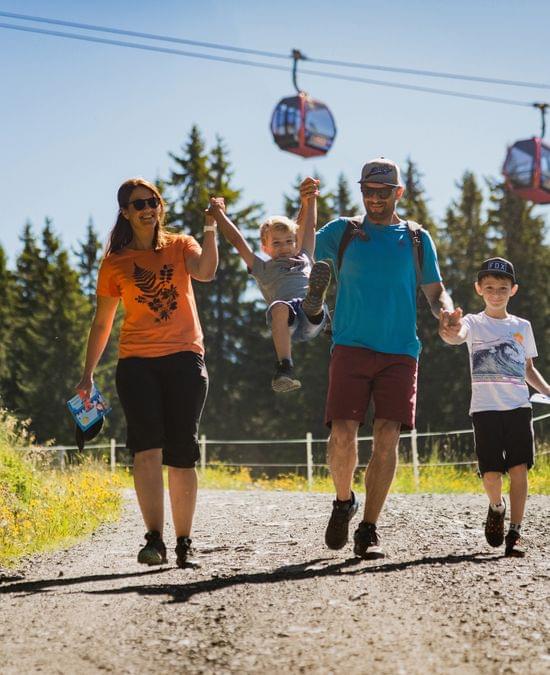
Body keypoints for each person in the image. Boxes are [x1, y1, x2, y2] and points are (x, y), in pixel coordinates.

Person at [310, 157, 455, 559]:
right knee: (342, 434)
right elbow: (304, 248)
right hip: (350, 345)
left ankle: (369, 528)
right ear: (362, 192)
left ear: (398, 193)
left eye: (383, 192)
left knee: (388, 437)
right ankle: (344, 502)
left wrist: (446, 311)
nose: (375, 199)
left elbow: (435, 291)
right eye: (368, 192)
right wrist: (308, 205)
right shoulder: (343, 232)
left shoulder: (415, 238)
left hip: (400, 351)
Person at [76, 177, 218, 568]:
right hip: (136, 363)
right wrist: (88, 375)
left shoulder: (180, 245)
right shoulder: (115, 262)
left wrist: (211, 226)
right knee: (146, 451)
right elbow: (102, 322)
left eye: (152, 201)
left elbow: (205, 271)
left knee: (183, 452)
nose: (147, 208)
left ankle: (185, 541)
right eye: (138, 204)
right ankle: (154, 539)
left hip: (185, 359)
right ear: (125, 212)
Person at [439, 257, 550, 557]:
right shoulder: (473, 323)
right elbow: (455, 335)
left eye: (503, 287)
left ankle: (515, 531)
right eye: (489, 287)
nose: (496, 293)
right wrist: (449, 329)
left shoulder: (522, 327)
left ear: (513, 290)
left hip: (518, 408)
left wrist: (548, 390)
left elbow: (527, 368)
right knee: (491, 474)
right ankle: (496, 507)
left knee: (519, 469)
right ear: (478, 289)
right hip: (485, 410)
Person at [206, 178, 331, 393]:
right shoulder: (262, 267)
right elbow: (237, 241)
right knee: (279, 307)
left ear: (295, 242)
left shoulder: (304, 256)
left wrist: (310, 198)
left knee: (310, 306)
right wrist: (218, 215)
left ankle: (315, 304)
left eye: (289, 241)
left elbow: (309, 225)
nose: (284, 248)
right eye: (276, 243)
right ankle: (285, 366)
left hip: (310, 317)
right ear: (265, 247)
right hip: (287, 323)